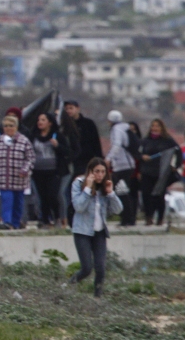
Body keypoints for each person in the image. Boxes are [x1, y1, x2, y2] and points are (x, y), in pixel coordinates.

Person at [70, 158, 122, 297]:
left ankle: (97, 297)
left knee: (100, 268)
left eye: (103, 172)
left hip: (99, 232)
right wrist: (88, 188)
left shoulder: (105, 186)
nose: (100, 175)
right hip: (82, 231)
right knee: (87, 268)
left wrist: (111, 193)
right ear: (90, 172)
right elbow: (79, 207)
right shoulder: (79, 183)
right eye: (97, 171)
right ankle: (69, 285)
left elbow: (117, 210)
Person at [25, 112, 70, 228]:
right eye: (39, 120)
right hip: (38, 171)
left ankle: (57, 218)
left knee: (53, 195)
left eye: (43, 120)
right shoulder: (33, 136)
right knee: (42, 197)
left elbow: (67, 151)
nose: (40, 122)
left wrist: (57, 146)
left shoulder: (57, 136)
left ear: (50, 123)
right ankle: (45, 220)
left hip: (54, 171)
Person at [0, 115, 35, 230]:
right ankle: (7, 221)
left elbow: (30, 158)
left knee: (18, 202)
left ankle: (15, 223)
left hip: (18, 178)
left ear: (16, 127)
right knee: (6, 199)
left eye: (11, 126)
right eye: (5, 126)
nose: (8, 128)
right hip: (3, 178)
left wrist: (25, 169)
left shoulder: (24, 141)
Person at [138, 118, 178, 226]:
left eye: (157, 126)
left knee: (159, 196)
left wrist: (174, 165)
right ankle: (148, 217)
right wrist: (142, 157)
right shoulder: (145, 141)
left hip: (161, 173)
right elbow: (137, 153)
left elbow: (177, 151)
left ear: (162, 128)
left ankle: (160, 218)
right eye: (153, 126)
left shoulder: (167, 141)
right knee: (146, 195)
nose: (154, 128)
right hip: (146, 171)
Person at [105, 111, 137, 226]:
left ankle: (127, 218)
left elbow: (117, 145)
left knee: (121, 192)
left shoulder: (116, 130)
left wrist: (108, 158)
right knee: (122, 191)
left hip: (122, 165)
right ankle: (128, 218)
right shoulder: (124, 128)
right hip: (126, 165)